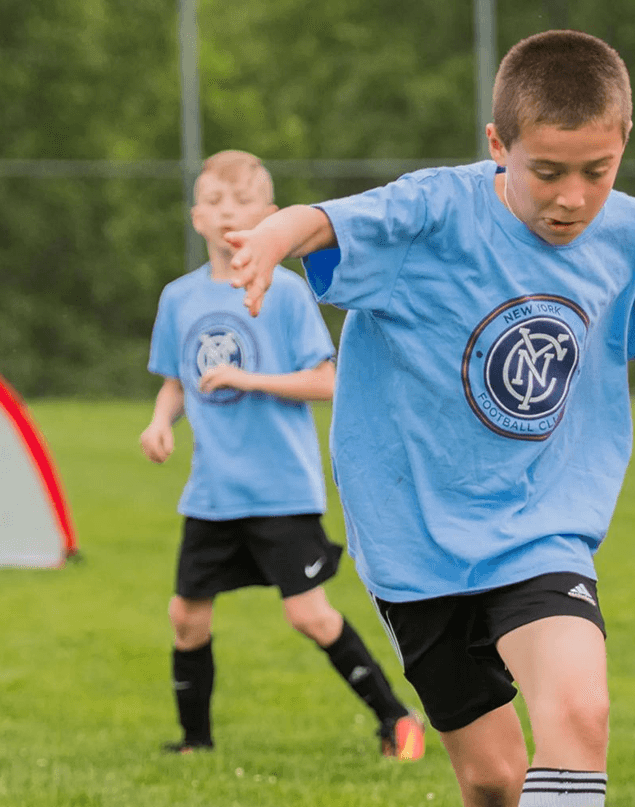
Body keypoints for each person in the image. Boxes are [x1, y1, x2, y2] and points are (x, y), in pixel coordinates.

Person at [226, 30, 635, 807]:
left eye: (596, 171)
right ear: (499, 146)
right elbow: (323, 221)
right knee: (496, 780)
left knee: (580, 710)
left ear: (623, 147)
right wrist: (268, 239)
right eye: (547, 171)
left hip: (542, 527)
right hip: (415, 540)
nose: (572, 197)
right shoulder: (433, 213)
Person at [141, 150, 423, 761]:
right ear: (196, 218)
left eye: (242, 203)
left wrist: (250, 381)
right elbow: (174, 380)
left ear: (269, 215)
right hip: (212, 493)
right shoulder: (179, 299)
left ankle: (397, 721)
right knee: (186, 617)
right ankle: (196, 744)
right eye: (215, 203)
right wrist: (161, 422)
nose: (227, 214)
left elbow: (327, 380)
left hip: (280, 489)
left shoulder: (289, 295)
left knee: (309, 616)